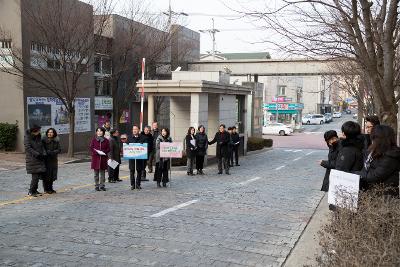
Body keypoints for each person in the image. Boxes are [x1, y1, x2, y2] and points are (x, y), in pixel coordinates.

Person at [360, 125, 400, 197]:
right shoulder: (375, 151)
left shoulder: (391, 156)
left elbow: (375, 176)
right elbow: (366, 168)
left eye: (374, 138)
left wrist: (356, 174)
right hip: (372, 193)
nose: (372, 141)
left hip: (385, 197)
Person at [25, 124, 47, 197]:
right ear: (34, 131)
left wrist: (44, 153)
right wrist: (37, 154)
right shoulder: (27, 137)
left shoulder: (38, 136)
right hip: (32, 159)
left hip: (40, 158)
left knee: (37, 176)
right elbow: (28, 148)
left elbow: (42, 146)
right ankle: (31, 191)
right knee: (35, 177)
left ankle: (35, 190)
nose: (40, 131)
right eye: (38, 130)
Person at [89, 127, 110, 191]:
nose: (99, 132)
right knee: (96, 174)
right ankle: (96, 185)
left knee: (102, 174)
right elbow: (91, 148)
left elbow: (108, 149)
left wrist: (103, 152)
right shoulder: (94, 140)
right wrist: (97, 152)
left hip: (103, 158)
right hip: (96, 158)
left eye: (100, 131)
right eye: (98, 131)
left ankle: (102, 185)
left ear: (103, 132)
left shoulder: (106, 140)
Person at [42, 128, 61, 194]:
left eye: (51, 132)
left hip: (53, 159)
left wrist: (53, 152)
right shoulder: (43, 140)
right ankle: (46, 189)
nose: (50, 133)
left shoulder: (56, 140)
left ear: (54, 133)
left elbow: (59, 149)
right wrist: (47, 152)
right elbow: (42, 149)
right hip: (46, 159)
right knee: (47, 175)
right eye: (49, 132)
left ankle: (51, 188)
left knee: (53, 174)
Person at [128, 125, 146, 190]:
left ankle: (138, 184)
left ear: (139, 130)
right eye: (133, 129)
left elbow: (145, 147)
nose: (134, 130)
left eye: (136, 129)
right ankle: (132, 185)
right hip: (132, 157)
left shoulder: (143, 138)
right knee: (132, 171)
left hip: (139, 157)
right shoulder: (129, 137)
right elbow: (126, 147)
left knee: (139, 171)